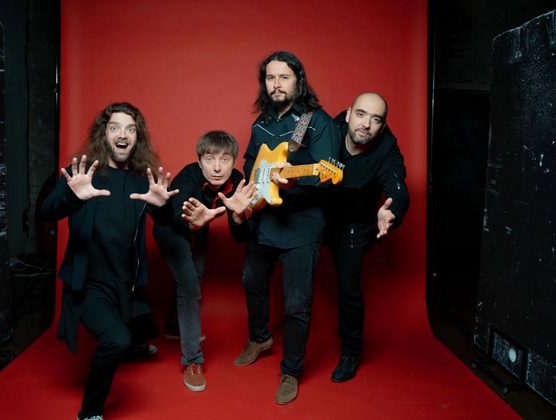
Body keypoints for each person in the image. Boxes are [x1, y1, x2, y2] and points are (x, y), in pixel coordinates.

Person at [40, 102, 179, 420]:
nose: (123, 135)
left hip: (125, 281)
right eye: (115, 127)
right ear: (103, 134)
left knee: (141, 324)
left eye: (131, 129)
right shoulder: (83, 174)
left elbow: (167, 222)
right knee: (117, 340)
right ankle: (89, 413)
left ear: (138, 137)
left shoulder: (143, 180)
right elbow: (47, 211)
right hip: (88, 283)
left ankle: (137, 342)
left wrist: (162, 207)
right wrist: (72, 197)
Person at [233, 51, 341, 405]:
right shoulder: (261, 121)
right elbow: (251, 161)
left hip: (301, 229)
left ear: (299, 80)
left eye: (284, 77)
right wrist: (253, 188)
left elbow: (328, 174)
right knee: (251, 281)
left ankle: (291, 371)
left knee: (296, 304)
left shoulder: (316, 121)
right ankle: (259, 337)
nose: (276, 84)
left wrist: (297, 180)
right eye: (270, 78)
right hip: (263, 220)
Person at [153, 130, 256, 392]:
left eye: (225, 159)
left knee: (195, 276)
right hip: (172, 229)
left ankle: (174, 328)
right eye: (210, 159)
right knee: (189, 286)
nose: (217, 168)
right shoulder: (187, 179)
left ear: (233, 162)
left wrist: (237, 216)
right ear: (199, 161)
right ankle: (192, 360)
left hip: (202, 225)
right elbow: (176, 219)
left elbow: (240, 237)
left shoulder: (237, 181)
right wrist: (193, 223)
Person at [323, 92, 410, 383]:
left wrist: (392, 212)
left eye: (376, 120)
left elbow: (398, 188)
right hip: (316, 212)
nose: (366, 124)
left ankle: (350, 352)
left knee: (349, 287)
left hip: (354, 224)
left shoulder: (387, 151)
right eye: (361, 115)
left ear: (382, 127)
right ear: (348, 114)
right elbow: (295, 149)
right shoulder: (326, 129)